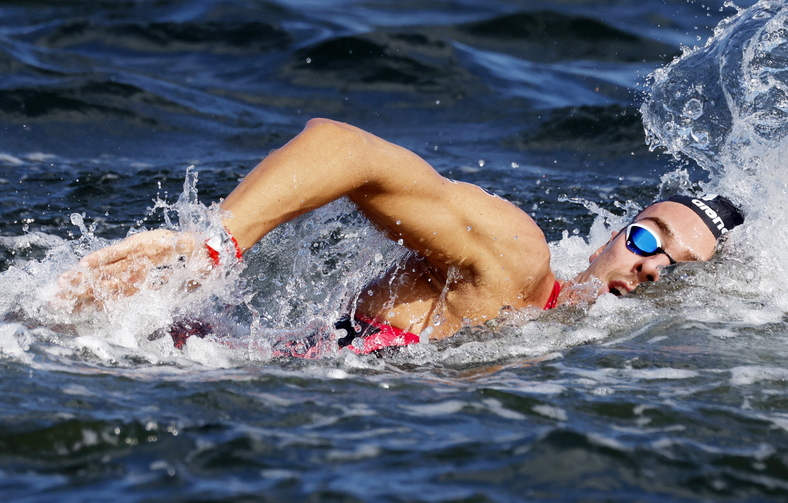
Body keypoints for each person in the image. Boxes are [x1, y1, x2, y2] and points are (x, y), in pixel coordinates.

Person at [57, 118, 744, 355]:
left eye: (676, 270)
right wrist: (214, 246)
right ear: (612, 235)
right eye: (649, 241)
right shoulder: (517, 258)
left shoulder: (559, 336)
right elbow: (349, 148)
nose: (653, 269)